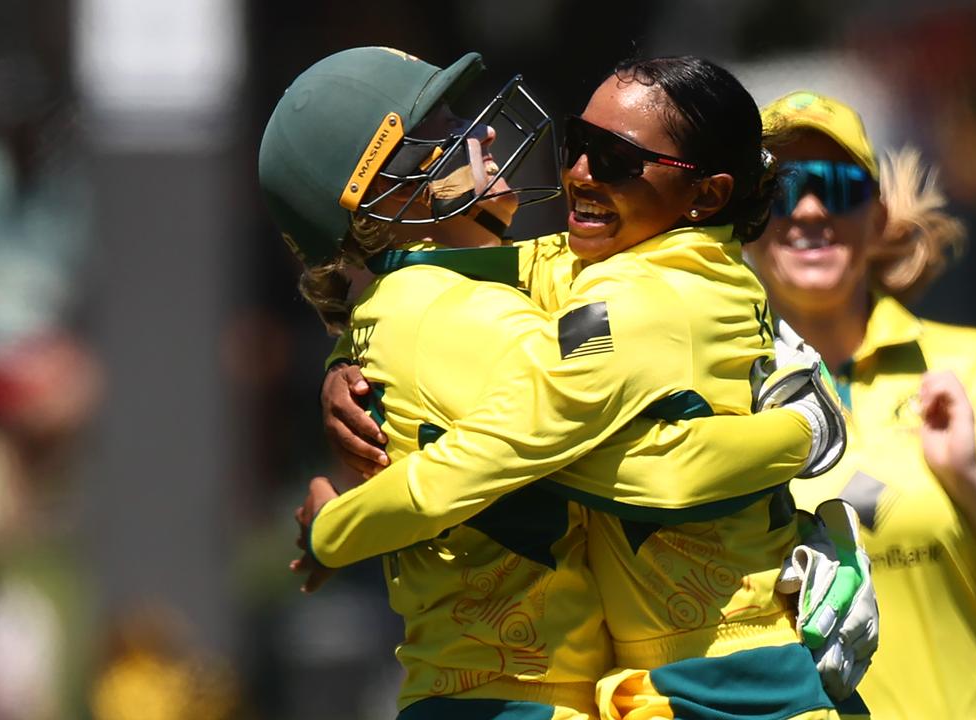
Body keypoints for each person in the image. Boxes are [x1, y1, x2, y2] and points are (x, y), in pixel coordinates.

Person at [261, 48, 856, 720]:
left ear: (708, 192)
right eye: (446, 127)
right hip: (613, 690)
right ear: (385, 194)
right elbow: (634, 466)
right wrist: (802, 432)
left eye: (614, 159)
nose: (484, 134)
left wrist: (345, 360)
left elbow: (564, 299)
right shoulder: (483, 310)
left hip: (665, 683)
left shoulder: (567, 291)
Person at [745, 90, 976, 719]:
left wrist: (973, 485)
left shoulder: (974, 366)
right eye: (780, 188)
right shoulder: (716, 382)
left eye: (837, 187)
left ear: (876, 217)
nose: (809, 210)